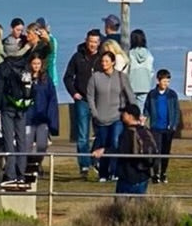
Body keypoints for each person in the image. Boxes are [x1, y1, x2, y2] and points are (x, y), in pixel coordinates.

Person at [0, 34, 37, 185]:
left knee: (8, 140)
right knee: (21, 139)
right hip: (22, 106)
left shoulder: (2, 67)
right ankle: (22, 173)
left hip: (7, 106)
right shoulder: (25, 64)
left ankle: (10, 174)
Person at [87, 51, 136, 183]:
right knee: (103, 145)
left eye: (107, 61)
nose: (104, 64)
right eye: (102, 61)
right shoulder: (95, 77)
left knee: (115, 143)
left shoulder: (121, 77)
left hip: (117, 118)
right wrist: (95, 113)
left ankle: (115, 172)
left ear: (113, 62)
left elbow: (130, 95)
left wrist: (135, 113)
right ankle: (103, 173)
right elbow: (90, 97)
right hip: (101, 118)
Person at [63, 30, 103, 177]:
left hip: (99, 101)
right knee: (82, 135)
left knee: (101, 133)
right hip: (82, 101)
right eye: (90, 41)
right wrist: (74, 93)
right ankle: (84, 166)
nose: (92, 45)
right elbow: (67, 77)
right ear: (86, 41)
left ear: (99, 43)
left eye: (95, 42)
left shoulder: (102, 58)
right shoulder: (77, 57)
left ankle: (95, 160)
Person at [107, 104, 156, 195]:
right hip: (144, 175)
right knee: (140, 206)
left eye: (124, 113)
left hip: (128, 175)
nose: (122, 115)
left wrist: (105, 151)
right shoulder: (146, 131)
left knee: (121, 207)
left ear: (130, 116)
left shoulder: (127, 133)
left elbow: (121, 151)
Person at [143, 69, 180, 184]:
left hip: (168, 129)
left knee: (165, 152)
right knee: (156, 152)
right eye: (164, 81)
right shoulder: (152, 94)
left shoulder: (172, 95)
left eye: (168, 81)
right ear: (158, 81)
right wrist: (144, 118)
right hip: (155, 128)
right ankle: (155, 174)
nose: (166, 84)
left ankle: (163, 172)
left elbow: (176, 111)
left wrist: (173, 125)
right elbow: (147, 108)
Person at [26, 53, 58, 159]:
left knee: (42, 145)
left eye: (38, 63)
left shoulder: (46, 79)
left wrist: (52, 120)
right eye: (34, 63)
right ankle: (25, 166)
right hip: (28, 118)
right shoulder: (25, 78)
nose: (36, 66)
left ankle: (37, 163)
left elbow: (52, 99)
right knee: (26, 145)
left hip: (42, 118)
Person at [128, 30, 154, 111]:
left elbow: (125, 70)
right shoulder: (149, 55)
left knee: (131, 111)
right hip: (145, 86)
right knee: (141, 111)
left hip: (131, 86)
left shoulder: (129, 54)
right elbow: (151, 72)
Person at [34, 18, 59, 86]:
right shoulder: (39, 41)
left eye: (41, 29)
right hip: (40, 76)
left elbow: (51, 53)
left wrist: (46, 39)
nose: (39, 31)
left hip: (51, 75)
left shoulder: (52, 40)